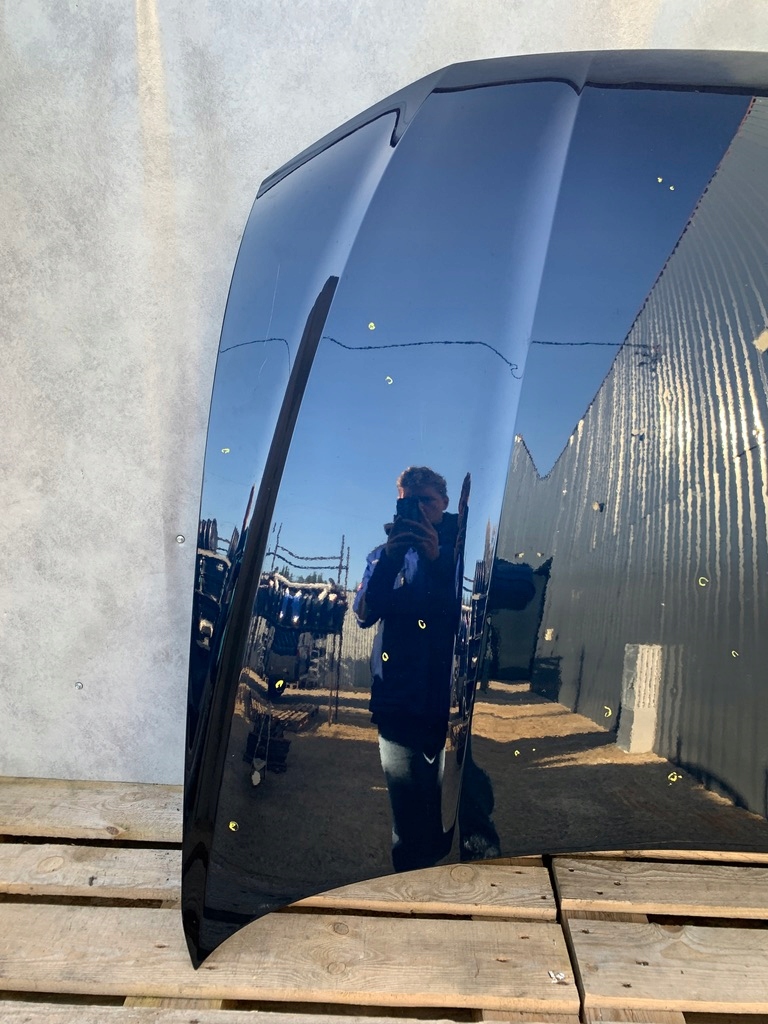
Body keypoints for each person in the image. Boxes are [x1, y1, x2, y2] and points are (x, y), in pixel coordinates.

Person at [354, 466, 464, 871]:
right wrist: (390, 559)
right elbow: (364, 613)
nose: (418, 510)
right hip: (397, 699)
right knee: (407, 813)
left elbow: (457, 616)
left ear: (444, 504)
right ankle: (409, 887)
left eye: (426, 501)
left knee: (445, 811)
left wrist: (437, 559)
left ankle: (438, 880)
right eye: (408, 502)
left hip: (445, 700)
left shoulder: (459, 551)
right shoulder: (383, 554)